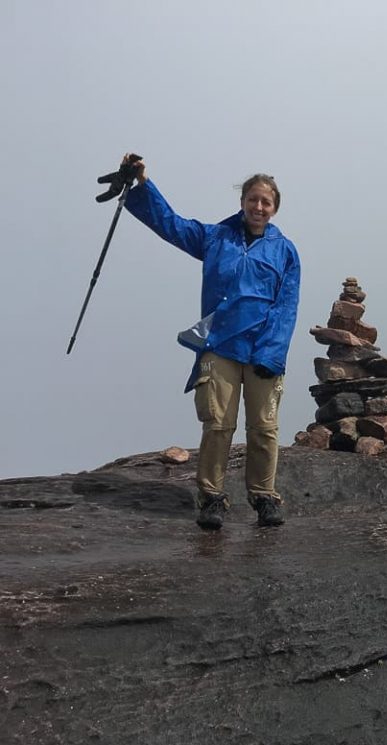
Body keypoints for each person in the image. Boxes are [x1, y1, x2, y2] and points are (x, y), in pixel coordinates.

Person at [123, 154, 301, 530]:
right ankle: (212, 497)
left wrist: (272, 352)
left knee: (264, 428)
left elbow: (287, 306)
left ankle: (264, 496)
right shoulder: (215, 237)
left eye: (265, 201)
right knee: (218, 424)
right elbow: (171, 225)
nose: (258, 206)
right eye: (252, 199)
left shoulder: (285, 251)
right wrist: (142, 184)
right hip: (219, 344)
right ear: (242, 202)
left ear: (274, 208)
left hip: (263, 349)